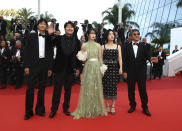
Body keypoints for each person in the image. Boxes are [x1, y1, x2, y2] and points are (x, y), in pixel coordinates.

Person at [71, 28, 107, 119]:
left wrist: (102, 69)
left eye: (94, 33)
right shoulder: (84, 45)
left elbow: (100, 58)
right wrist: (82, 54)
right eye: (91, 33)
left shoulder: (99, 45)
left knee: (96, 87)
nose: (93, 35)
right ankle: (87, 109)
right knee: (88, 87)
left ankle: (96, 109)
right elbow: (82, 59)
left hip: (96, 66)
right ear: (87, 35)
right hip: (87, 67)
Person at [49, 21, 81, 118]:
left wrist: (79, 68)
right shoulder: (58, 38)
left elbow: (79, 55)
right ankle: (54, 109)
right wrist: (50, 34)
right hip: (59, 68)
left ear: (73, 29)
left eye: (71, 27)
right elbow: (50, 44)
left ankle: (66, 108)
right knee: (57, 91)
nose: (70, 28)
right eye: (68, 27)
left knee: (68, 91)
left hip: (70, 69)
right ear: (64, 28)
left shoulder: (77, 41)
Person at [122, 29, 158, 116]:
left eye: (138, 34)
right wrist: (124, 71)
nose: (137, 36)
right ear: (130, 36)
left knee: (143, 90)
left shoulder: (143, 46)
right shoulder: (126, 46)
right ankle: (132, 106)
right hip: (130, 72)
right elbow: (124, 60)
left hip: (141, 72)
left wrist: (151, 59)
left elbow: (147, 56)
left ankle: (145, 107)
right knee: (131, 90)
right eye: (135, 34)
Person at [24, 18, 53, 120]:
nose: (42, 25)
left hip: (44, 66)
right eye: (41, 24)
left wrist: (50, 67)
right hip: (32, 66)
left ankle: (40, 110)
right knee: (30, 89)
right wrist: (26, 66)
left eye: (44, 24)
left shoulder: (48, 37)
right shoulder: (31, 36)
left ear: (46, 26)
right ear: (37, 25)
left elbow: (50, 53)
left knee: (42, 89)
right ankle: (28, 112)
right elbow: (26, 51)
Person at [101, 29, 122, 114]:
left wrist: (121, 68)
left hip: (114, 68)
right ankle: (107, 105)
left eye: (113, 34)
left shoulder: (118, 46)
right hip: (105, 69)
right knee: (105, 87)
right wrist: (101, 70)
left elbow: (120, 58)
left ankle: (113, 105)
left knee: (113, 87)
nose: (112, 35)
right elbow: (101, 59)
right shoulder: (103, 47)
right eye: (110, 34)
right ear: (106, 36)